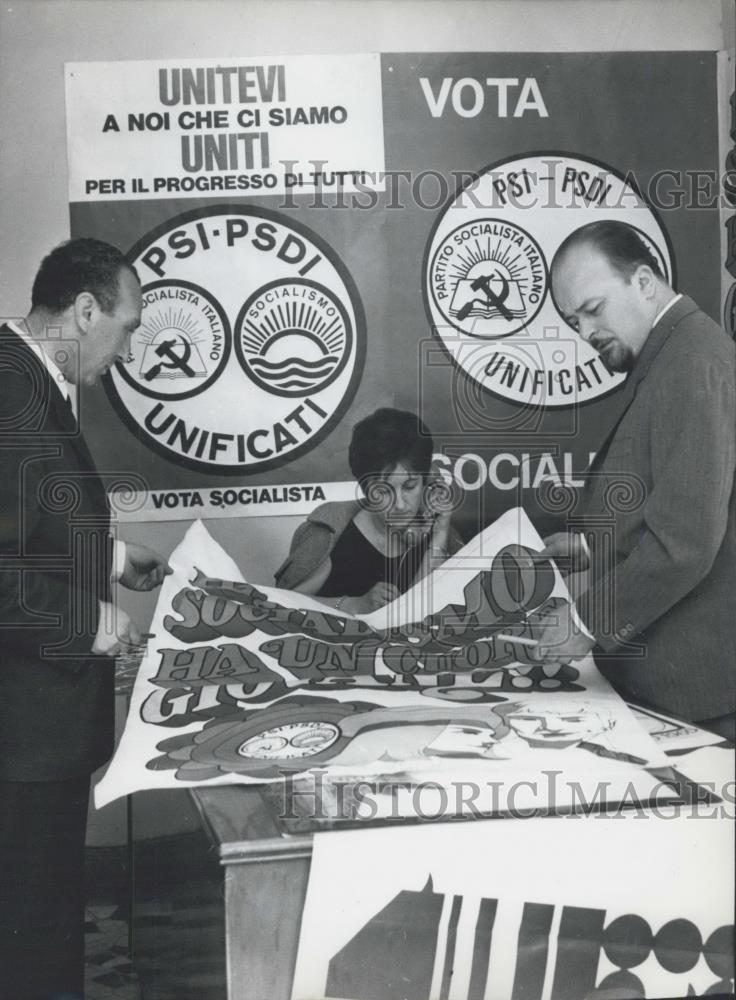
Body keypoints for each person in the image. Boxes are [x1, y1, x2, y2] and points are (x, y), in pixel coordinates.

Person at [0, 238, 171, 1000]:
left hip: (37, 729)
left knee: (46, 918)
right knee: (32, 933)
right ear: (86, 309)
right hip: (19, 735)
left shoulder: (30, 380)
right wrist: (90, 623)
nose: (129, 351)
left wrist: (110, 557)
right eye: (127, 328)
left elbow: (29, 525)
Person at [532, 220, 735, 737]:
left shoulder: (692, 360)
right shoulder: (669, 354)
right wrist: (586, 547)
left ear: (644, 282)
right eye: (573, 322)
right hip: (672, 681)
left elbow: (684, 542)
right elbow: (664, 499)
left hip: (696, 691)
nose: (585, 333)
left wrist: (584, 623)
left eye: (592, 310)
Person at [275, 407, 463, 613]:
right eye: (384, 490)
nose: (400, 504)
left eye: (410, 487)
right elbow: (283, 604)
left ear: (426, 480)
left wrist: (440, 535)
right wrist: (353, 604)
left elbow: (422, 613)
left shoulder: (439, 531)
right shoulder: (331, 532)